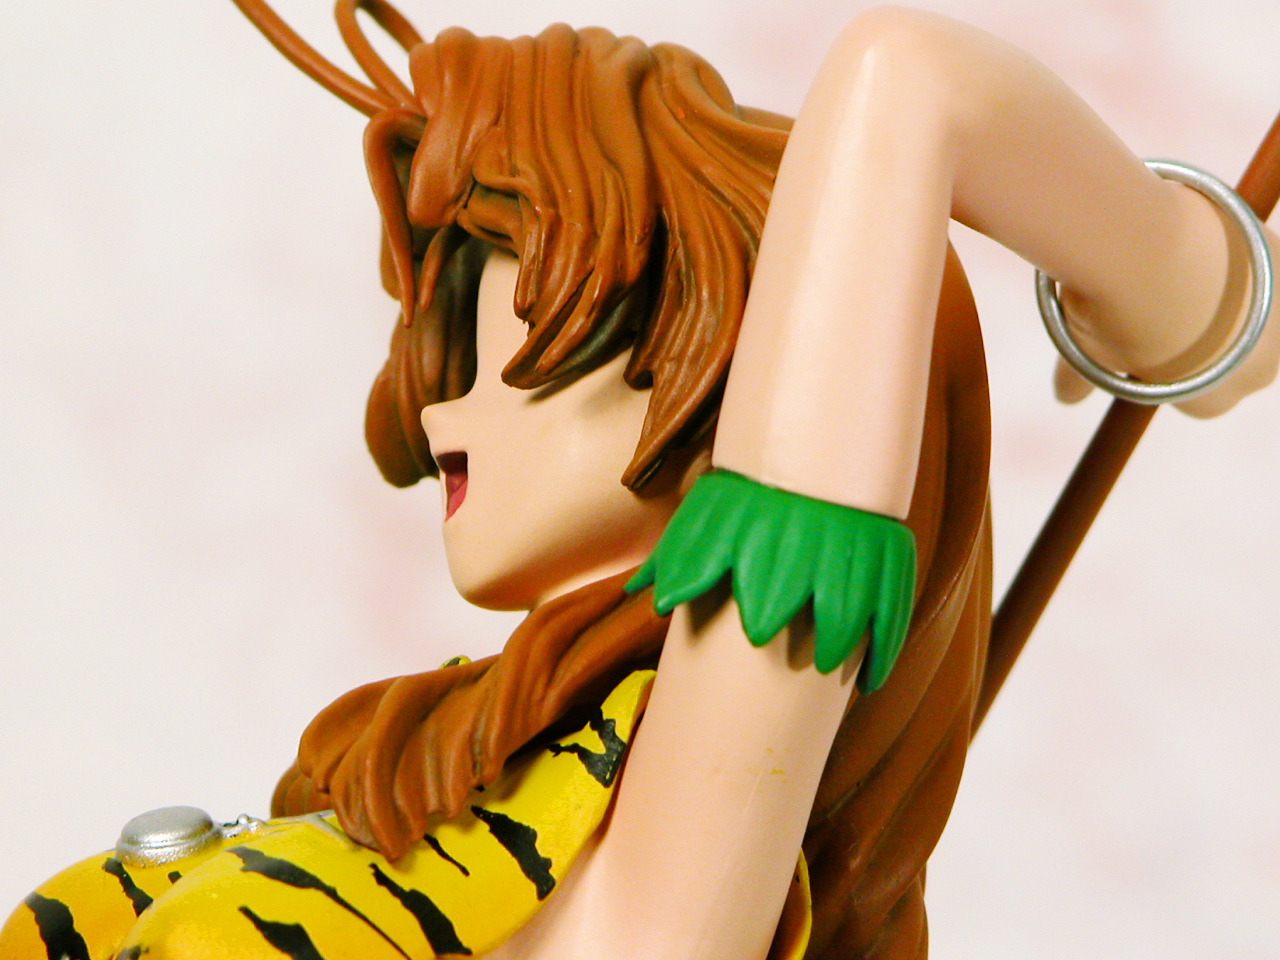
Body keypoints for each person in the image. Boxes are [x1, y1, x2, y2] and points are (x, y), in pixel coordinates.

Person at [2, 3, 1275, 959]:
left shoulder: (661, 884)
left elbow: (909, 83)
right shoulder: (489, 804)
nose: (436, 413)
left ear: (714, 357)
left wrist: (1194, 296)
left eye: (501, 346)